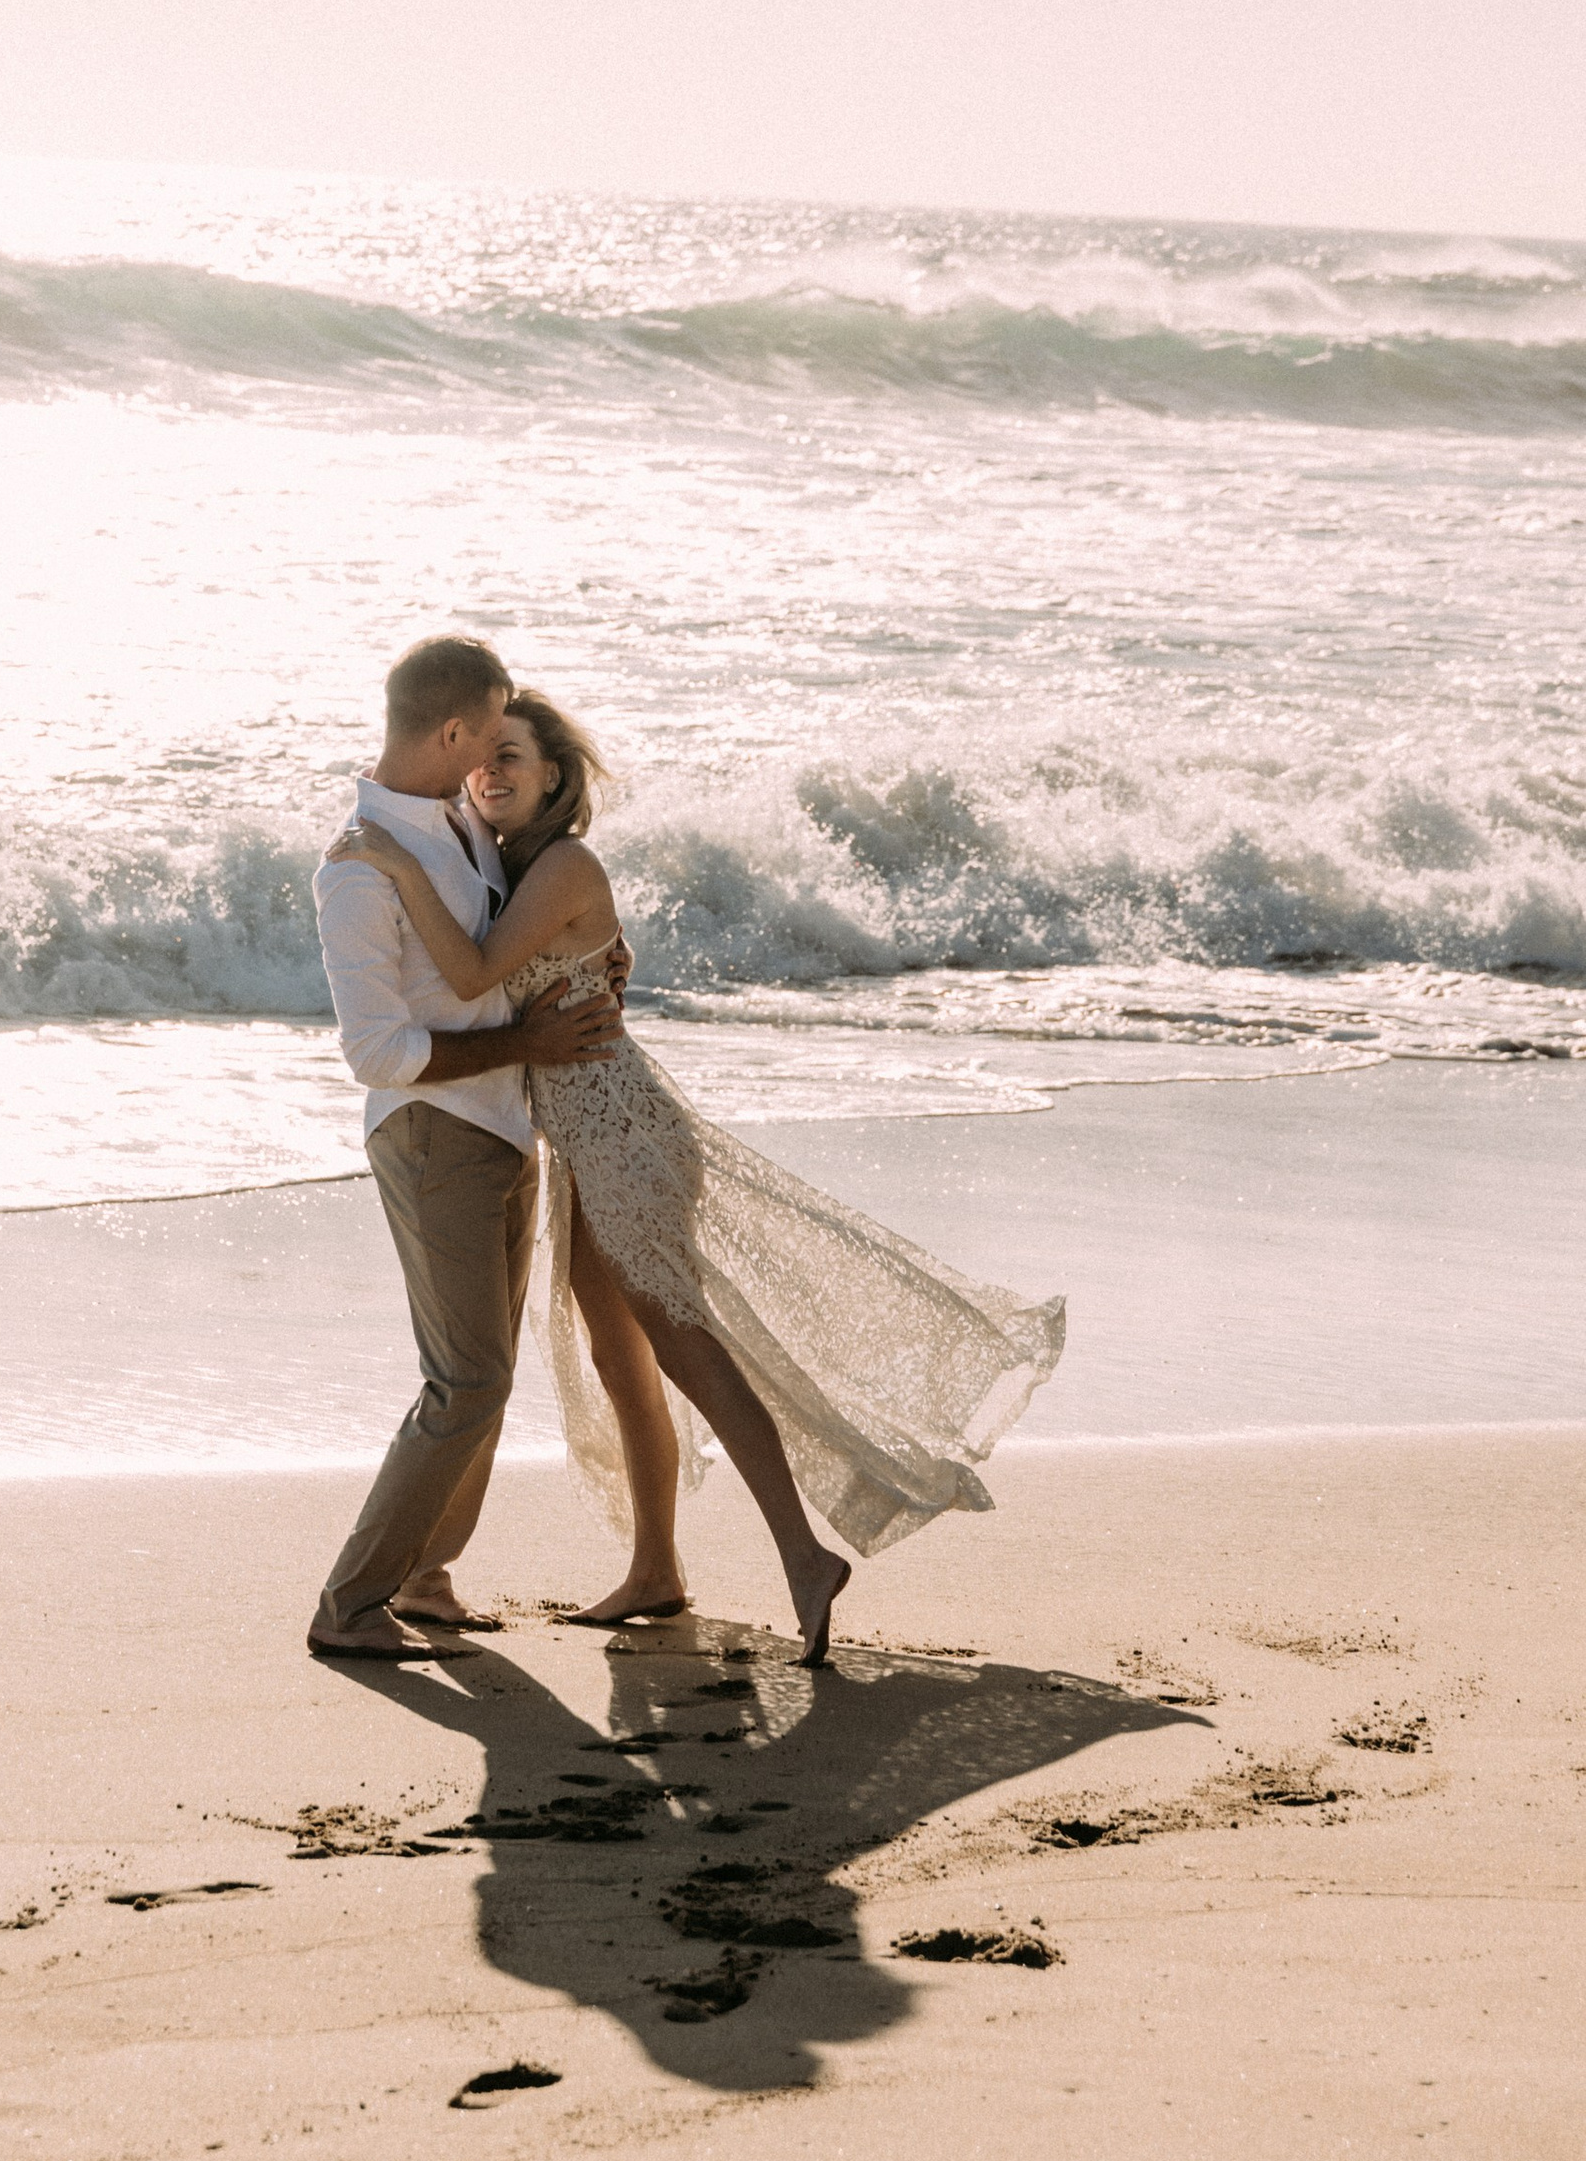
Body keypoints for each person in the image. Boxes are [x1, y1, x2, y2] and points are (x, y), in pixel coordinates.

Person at [329, 688, 1065, 1665]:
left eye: (516, 757)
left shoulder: (558, 864)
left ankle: (802, 1555)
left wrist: (379, 857)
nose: (492, 772)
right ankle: (655, 1569)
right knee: (619, 1354)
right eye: (484, 756)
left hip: (623, 1138)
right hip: (582, 1146)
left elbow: (468, 974)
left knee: (687, 1346)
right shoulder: (493, 859)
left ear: (557, 776)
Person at [307, 635, 627, 1661]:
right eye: (489, 732)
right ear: (450, 731)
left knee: (479, 1378)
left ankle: (426, 1578)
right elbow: (377, 1053)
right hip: (431, 1134)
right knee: (468, 1381)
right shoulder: (360, 867)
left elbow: (519, 945)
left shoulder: (461, 825)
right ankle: (350, 1604)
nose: (497, 753)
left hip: (504, 1127)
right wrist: (523, 1041)